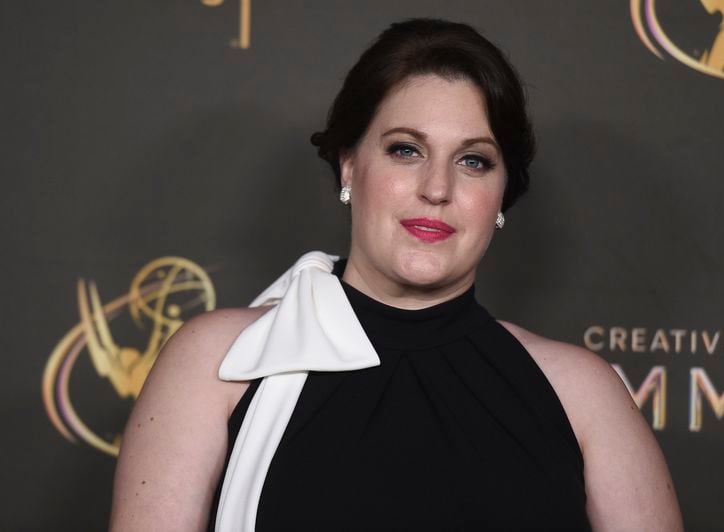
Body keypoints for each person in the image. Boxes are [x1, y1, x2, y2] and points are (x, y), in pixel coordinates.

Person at [109, 18, 683, 531]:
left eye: (474, 160)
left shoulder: (582, 394)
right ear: (350, 165)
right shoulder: (219, 362)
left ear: (502, 192)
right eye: (406, 150)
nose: (437, 189)